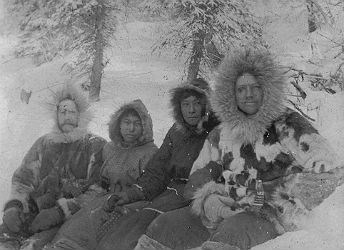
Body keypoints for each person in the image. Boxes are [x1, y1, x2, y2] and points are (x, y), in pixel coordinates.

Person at [138, 49, 341, 250]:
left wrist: (270, 195)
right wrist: (210, 199)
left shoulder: (287, 124)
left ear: (266, 89)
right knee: (163, 226)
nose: (248, 94)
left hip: (272, 215)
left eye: (255, 87)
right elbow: (198, 178)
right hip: (225, 209)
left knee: (230, 234)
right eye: (241, 89)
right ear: (231, 93)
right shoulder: (221, 132)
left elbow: (330, 172)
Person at [94, 78, 220, 250]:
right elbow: (157, 171)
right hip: (170, 195)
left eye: (197, 103)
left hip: (198, 198)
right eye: (186, 104)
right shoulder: (176, 132)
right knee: (127, 228)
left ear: (207, 105)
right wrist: (131, 194)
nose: (191, 110)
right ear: (179, 107)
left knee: (156, 230)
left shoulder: (218, 132)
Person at [0, 85, 106, 250]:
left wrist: (61, 211)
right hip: (33, 215)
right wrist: (15, 205)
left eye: (72, 112)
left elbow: (98, 190)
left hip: (73, 222)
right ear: (56, 115)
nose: (67, 116)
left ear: (80, 115)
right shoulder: (44, 143)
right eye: (62, 112)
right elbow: (23, 179)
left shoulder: (95, 146)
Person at [45, 99, 158, 250]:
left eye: (137, 124)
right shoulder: (109, 148)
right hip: (103, 201)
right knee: (73, 232)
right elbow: (100, 183)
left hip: (131, 207)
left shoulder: (151, 153)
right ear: (118, 124)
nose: (131, 128)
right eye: (126, 122)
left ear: (145, 126)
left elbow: (151, 190)